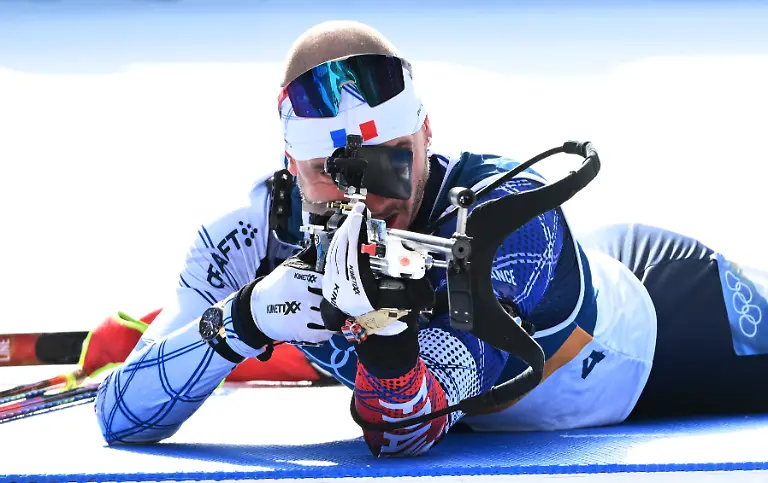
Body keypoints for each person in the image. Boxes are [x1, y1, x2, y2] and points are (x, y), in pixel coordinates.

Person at [94, 20, 768, 456]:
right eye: (334, 174)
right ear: (290, 166)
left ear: (426, 133)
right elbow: (119, 416)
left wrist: (384, 326)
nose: (370, 197)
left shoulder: (508, 222)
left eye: (391, 160)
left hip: (670, 329)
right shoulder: (248, 237)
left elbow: (408, 426)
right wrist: (238, 321)